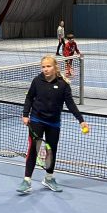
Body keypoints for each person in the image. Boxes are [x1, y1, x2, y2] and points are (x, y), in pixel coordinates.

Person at [17, 55, 89, 195]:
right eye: (43, 67)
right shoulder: (37, 81)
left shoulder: (63, 84)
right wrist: (25, 114)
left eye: (48, 66)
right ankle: (27, 180)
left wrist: (81, 120)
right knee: (33, 150)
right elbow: (29, 97)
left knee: (51, 151)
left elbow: (70, 104)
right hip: (37, 120)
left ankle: (49, 178)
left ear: (55, 67)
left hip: (54, 123)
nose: (45, 69)